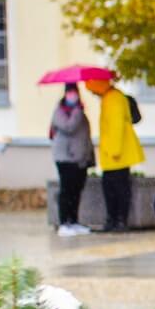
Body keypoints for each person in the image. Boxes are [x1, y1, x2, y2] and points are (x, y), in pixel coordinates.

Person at [84, 75, 143, 232]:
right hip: (112, 155)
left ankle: (119, 220)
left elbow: (117, 127)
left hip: (117, 155)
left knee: (117, 189)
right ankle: (114, 220)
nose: (92, 93)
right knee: (112, 188)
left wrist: (115, 151)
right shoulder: (110, 98)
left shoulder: (113, 99)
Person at [49, 83, 95, 237]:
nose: (72, 95)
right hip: (66, 158)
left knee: (76, 191)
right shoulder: (61, 111)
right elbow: (69, 127)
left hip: (80, 159)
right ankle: (64, 222)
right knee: (66, 191)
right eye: (69, 92)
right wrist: (76, 111)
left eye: (74, 92)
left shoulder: (80, 111)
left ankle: (74, 221)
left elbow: (85, 134)